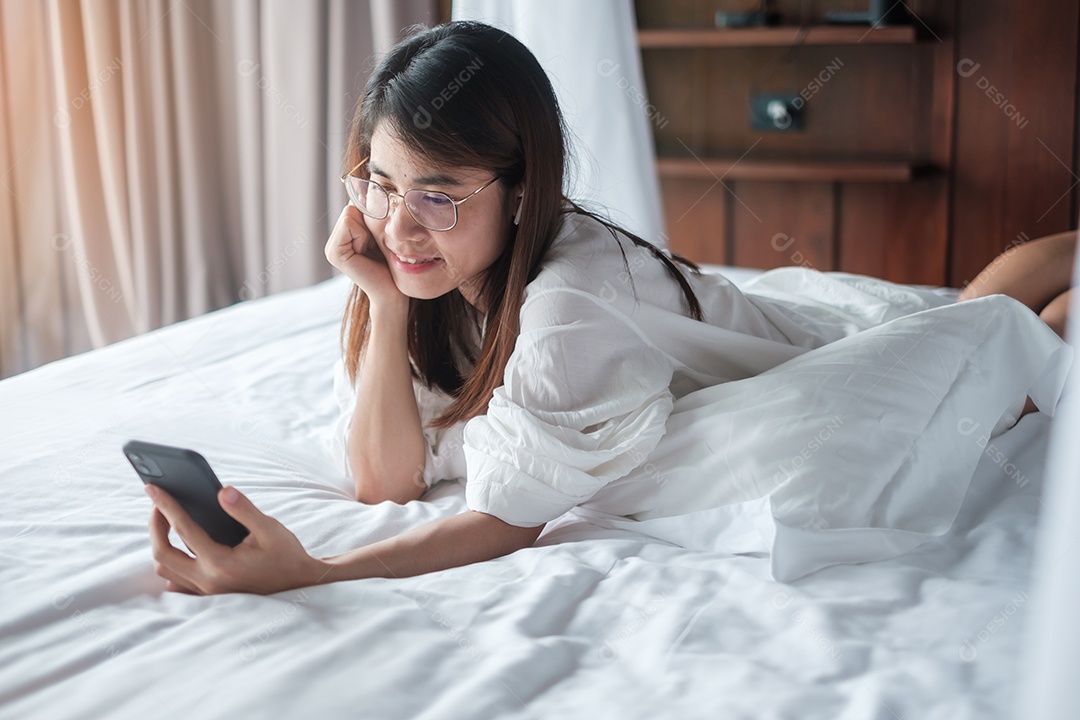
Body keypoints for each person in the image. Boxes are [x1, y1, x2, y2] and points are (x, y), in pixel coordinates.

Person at [145, 21, 1075, 596]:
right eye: (380, 183)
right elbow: (386, 483)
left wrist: (319, 571)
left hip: (789, 361)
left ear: (519, 191)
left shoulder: (569, 303)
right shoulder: (423, 269)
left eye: (440, 193)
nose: (398, 224)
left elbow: (508, 520)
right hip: (696, 336)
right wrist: (386, 308)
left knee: (978, 336)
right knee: (1016, 329)